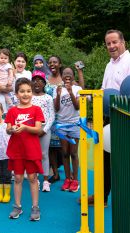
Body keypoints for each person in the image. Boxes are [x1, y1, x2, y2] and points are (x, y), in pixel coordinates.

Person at [88, 29, 130, 207]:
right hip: (108, 116)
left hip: (126, 116)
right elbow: (105, 91)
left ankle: (128, 198)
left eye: (114, 42)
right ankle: (102, 196)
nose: (111, 46)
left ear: (123, 42)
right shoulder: (109, 65)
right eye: (108, 43)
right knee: (104, 157)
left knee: (126, 159)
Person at [6, 78, 45, 221]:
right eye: (22, 91)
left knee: (33, 178)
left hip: (32, 150)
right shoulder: (11, 111)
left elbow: (38, 129)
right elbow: (8, 129)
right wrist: (11, 130)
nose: (25, 94)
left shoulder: (36, 109)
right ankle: (17, 206)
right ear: (16, 94)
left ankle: (35, 207)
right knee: (17, 178)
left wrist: (25, 127)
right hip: (16, 151)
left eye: (28, 91)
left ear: (32, 93)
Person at [54, 67, 82, 192]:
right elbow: (56, 108)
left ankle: (75, 180)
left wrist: (70, 92)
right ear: (62, 75)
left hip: (75, 124)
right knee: (65, 153)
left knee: (74, 153)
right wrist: (59, 94)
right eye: (65, 73)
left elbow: (77, 107)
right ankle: (67, 179)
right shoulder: (58, 89)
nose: (67, 75)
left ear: (73, 76)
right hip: (62, 124)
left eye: (70, 74)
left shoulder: (78, 89)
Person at [31, 70, 55, 192]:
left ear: (44, 83)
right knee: (33, 155)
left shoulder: (48, 98)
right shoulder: (28, 97)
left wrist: (44, 130)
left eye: (40, 80)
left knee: (44, 154)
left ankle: (45, 180)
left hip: (44, 130)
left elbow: (52, 116)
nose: (37, 82)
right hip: (31, 130)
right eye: (34, 80)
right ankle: (34, 179)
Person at [46, 55, 64, 184]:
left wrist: (80, 72)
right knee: (51, 147)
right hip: (49, 117)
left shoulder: (66, 78)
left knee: (64, 147)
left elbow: (79, 89)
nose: (52, 64)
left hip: (63, 117)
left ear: (60, 64)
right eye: (50, 62)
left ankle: (70, 176)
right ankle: (56, 174)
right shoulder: (45, 79)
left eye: (55, 62)